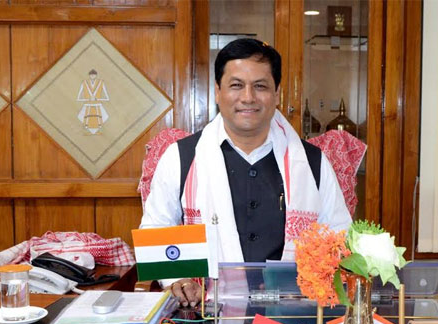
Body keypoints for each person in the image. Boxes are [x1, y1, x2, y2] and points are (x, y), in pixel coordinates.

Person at [140, 38, 351, 306]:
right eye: (236, 85)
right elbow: (156, 229)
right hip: (206, 311)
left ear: (277, 94)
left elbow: (340, 236)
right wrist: (178, 280)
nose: (248, 97)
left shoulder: (312, 162)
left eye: (260, 86)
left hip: (293, 312)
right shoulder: (181, 158)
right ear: (218, 92)